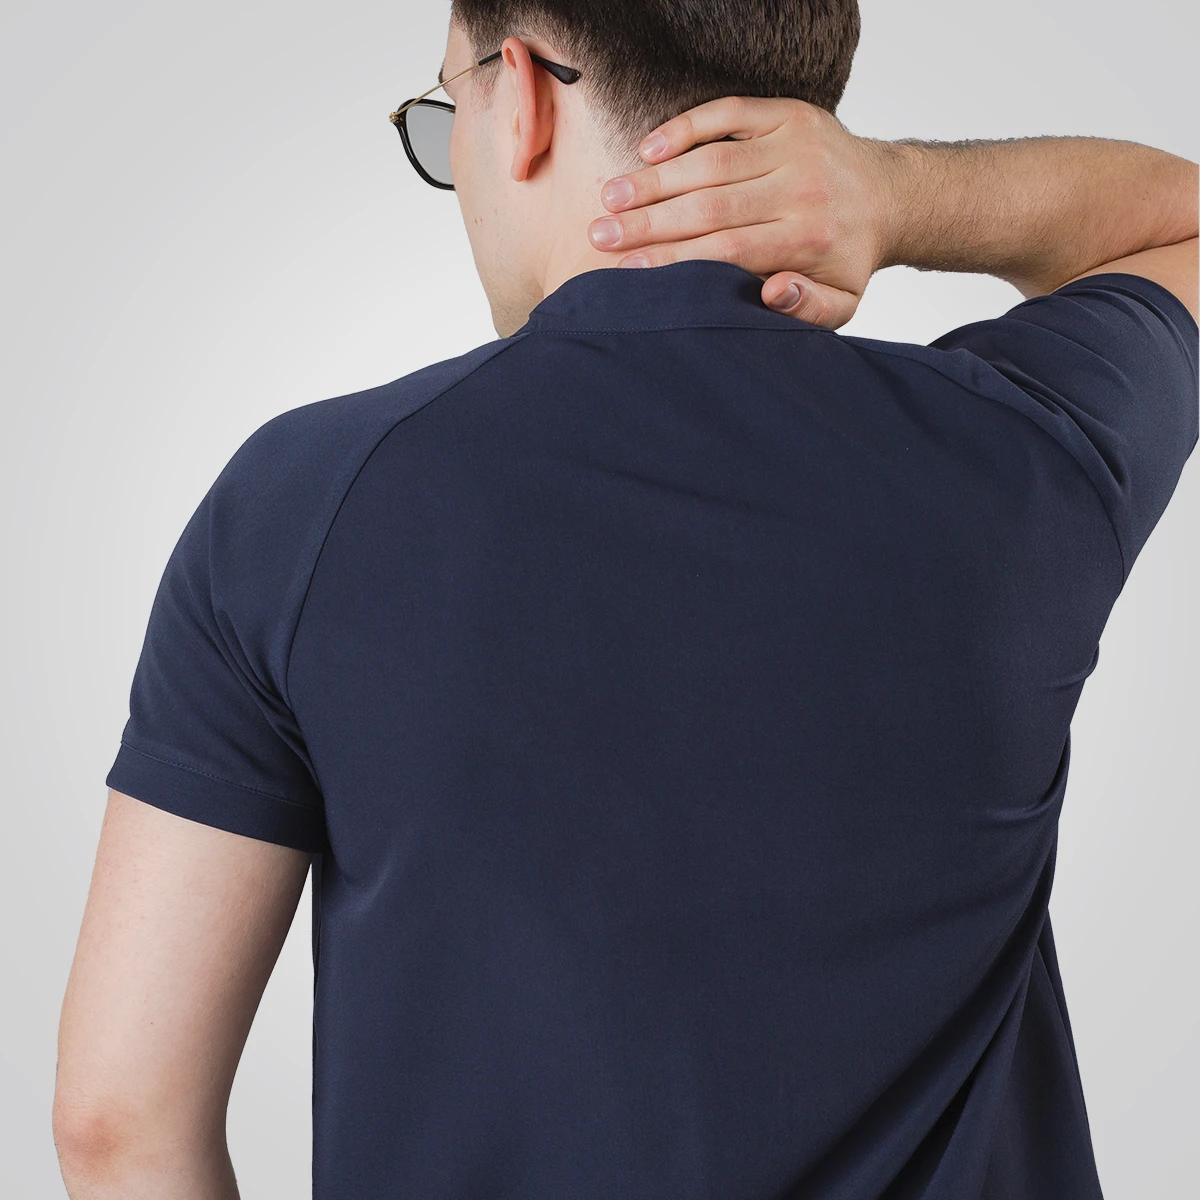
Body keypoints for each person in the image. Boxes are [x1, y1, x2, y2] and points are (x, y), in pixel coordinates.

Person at [53, 2, 1197, 1198]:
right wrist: (904, 195)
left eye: (447, 112)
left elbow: (117, 1122)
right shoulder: (1020, 450)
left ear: (522, 96)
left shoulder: (302, 506)